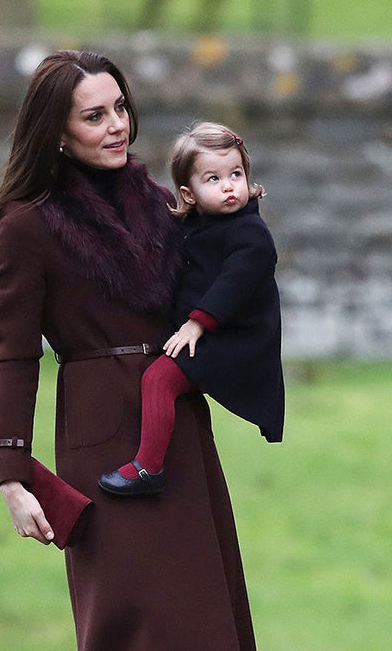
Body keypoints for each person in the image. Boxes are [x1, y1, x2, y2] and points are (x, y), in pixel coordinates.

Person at [0, 50, 256, 649]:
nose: (117, 126)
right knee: (132, 618)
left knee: (202, 613)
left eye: (121, 108)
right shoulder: (27, 224)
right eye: (94, 116)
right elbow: (15, 355)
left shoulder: (164, 203)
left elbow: (231, 268)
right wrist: (11, 475)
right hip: (100, 436)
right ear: (56, 131)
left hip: (176, 426)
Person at [99, 121, 285, 496]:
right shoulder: (195, 226)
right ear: (189, 193)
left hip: (234, 340)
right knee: (155, 377)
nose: (229, 185)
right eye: (213, 179)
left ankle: (149, 469)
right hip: (208, 332)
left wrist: (196, 324)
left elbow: (234, 284)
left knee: (159, 380)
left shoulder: (251, 234)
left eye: (236, 173)